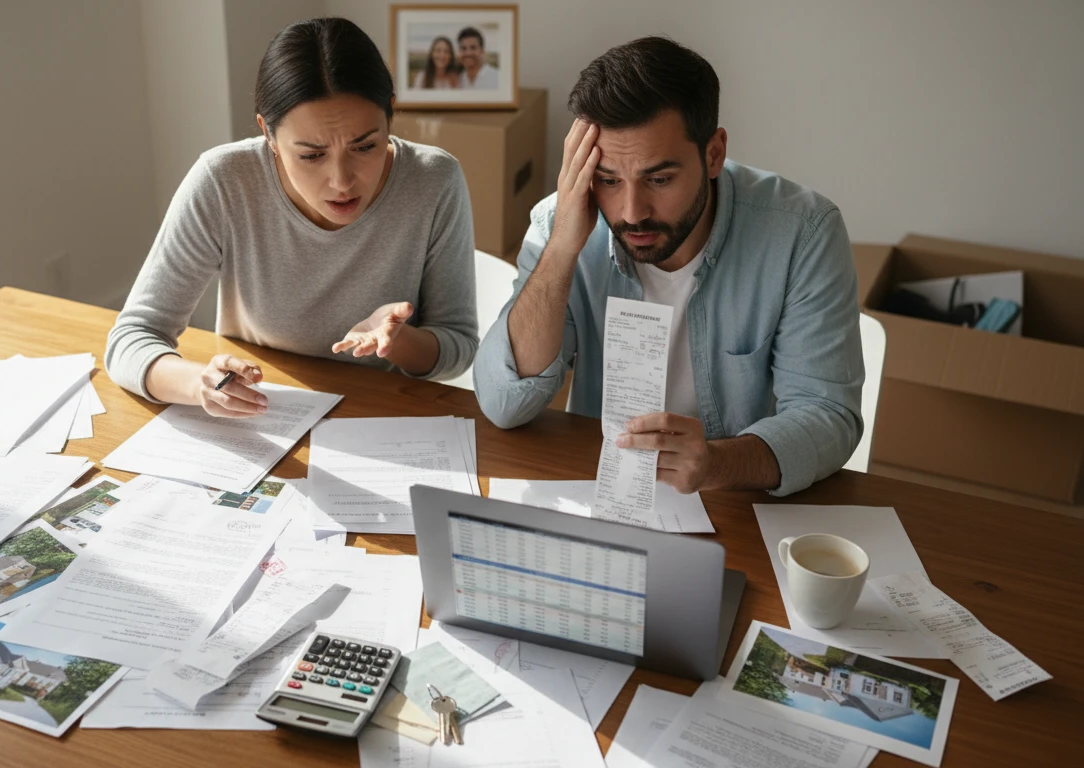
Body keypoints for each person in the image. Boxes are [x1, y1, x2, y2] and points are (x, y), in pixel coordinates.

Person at [473, 36, 863, 497]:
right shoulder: (565, 223)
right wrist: (561, 247)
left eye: (658, 179)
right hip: (611, 498)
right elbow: (503, 403)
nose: (632, 211)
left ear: (714, 154)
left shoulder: (803, 232)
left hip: (739, 503)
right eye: (609, 180)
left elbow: (827, 415)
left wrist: (719, 462)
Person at [107, 18, 478, 418]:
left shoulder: (433, 180)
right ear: (268, 133)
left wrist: (395, 340)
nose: (341, 181)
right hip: (260, 412)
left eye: (365, 146)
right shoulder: (224, 181)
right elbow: (132, 337)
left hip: (381, 416)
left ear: (391, 111)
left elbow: (458, 347)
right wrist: (201, 385)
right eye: (311, 155)